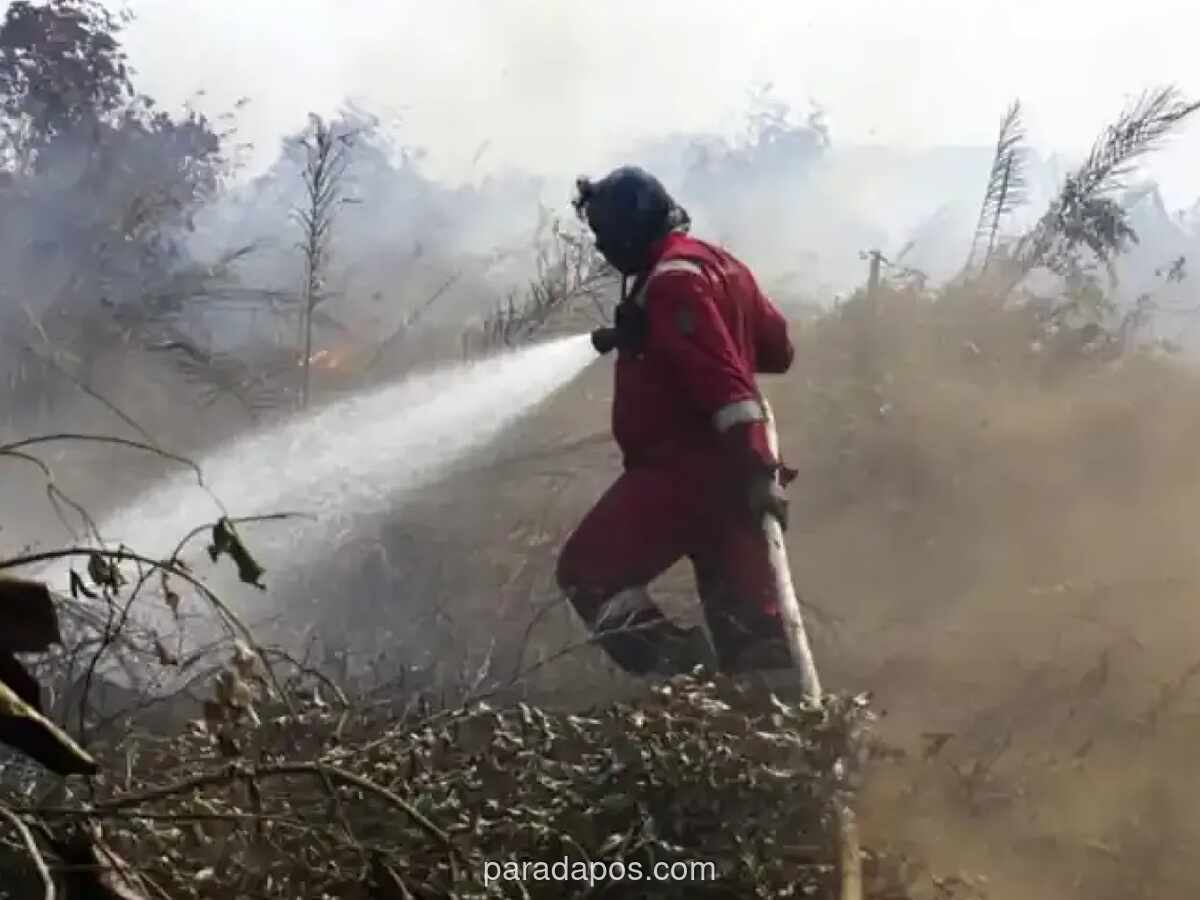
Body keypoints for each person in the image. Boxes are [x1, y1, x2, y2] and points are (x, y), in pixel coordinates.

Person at [557, 165, 797, 677]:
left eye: (605, 235)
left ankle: (686, 683)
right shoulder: (720, 266)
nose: (602, 249)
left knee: (589, 572)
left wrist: (759, 468)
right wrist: (654, 337)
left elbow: (726, 388)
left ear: (632, 225)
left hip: (684, 475)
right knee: (751, 636)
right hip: (732, 479)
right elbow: (776, 350)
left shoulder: (671, 285)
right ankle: (779, 734)